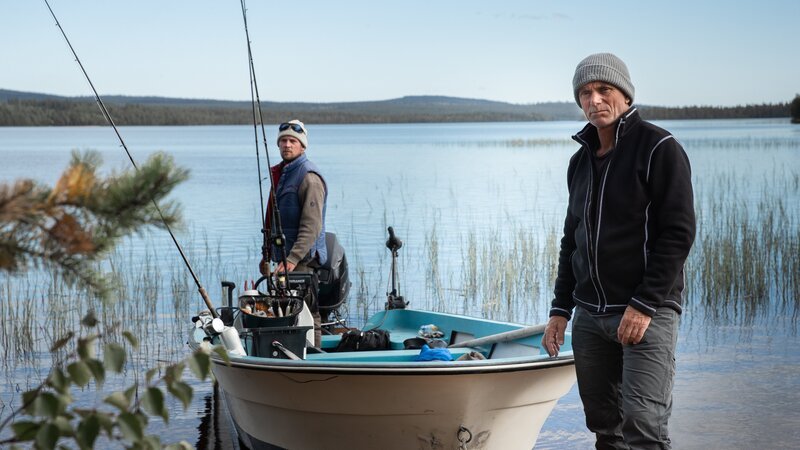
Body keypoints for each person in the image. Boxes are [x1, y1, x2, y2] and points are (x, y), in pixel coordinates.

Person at [544, 53, 696, 449]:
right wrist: (560, 310)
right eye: (585, 93)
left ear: (625, 95)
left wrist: (644, 304)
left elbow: (678, 233)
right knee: (604, 426)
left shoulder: (659, 147)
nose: (594, 100)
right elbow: (571, 240)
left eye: (603, 90)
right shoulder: (579, 162)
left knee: (643, 428)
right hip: (590, 317)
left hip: (646, 313)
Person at [260, 119, 327, 347]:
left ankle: (313, 359)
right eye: (283, 141)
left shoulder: (309, 177)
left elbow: (312, 226)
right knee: (287, 311)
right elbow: (272, 218)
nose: (287, 145)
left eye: (292, 141)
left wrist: (292, 259)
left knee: (308, 314)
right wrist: (266, 254)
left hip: (303, 260)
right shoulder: (283, 174)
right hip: (284, 259)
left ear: (302, 146)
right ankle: (290, 355)